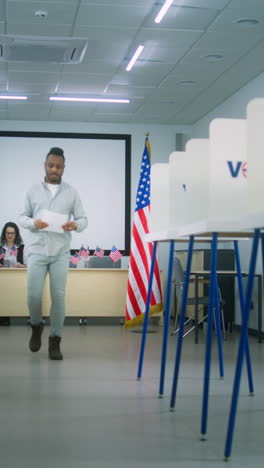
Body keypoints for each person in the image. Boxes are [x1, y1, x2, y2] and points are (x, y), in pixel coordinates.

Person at [19, 147, 88, 360]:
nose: (54, 169)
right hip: (38, 250)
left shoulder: (72, 192)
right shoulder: (32, 190)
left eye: (58, 166)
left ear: (63, 168)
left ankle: (55, 340)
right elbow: (22, 217)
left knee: (58, 296)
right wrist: (33, 223)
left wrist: (74, 224)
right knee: (33, 295)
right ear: (45, 166)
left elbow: (84, 220)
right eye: (51, 165)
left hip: (60, 251)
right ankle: (37, 326)